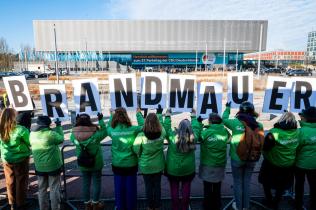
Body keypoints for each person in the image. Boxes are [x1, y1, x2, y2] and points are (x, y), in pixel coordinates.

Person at [222, 101, 263, 210]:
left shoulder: (235, 123)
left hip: (237, 158)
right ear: (252, 111)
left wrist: (227, 108)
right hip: (252, 158)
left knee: (238, 182)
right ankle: (246, 206)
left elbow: (224, 119)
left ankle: (239, 206)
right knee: (247, 182)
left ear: (240, 111)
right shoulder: (259, 125)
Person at [259, 111, 299, 209]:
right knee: (281, 185)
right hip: (289, 164)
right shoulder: (297, 132)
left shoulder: (274, 132)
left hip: (273, 164)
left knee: (266, 182)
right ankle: (276, 201)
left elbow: (265, 147)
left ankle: (269, 200)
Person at [163, 109, 201, 210]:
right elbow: (197, 128)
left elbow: (166, 128)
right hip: (188, 169)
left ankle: (175, 207)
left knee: (174, 189)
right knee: (186, 189)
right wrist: (193, 116)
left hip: (173, 169)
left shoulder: (172, 136)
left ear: (179, 127)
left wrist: (167, 116)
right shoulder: (194, 137)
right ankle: (184, 207)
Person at [107, 108, 144, 210]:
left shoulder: (112, 131)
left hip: (117, 164)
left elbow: (107, 127)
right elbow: (144, 126)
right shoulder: (133, 129)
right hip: (131, 164)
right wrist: (138, 114)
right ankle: (131, 207)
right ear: (126, 116)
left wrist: (111, 115)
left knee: (119, 189)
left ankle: (120, 207)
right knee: (131, 189)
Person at [70, 113, 108, 210]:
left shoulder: (73, 134)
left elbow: (72, 138)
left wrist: (76, 123)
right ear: (89, 120)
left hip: (82, 162)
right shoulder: (95, 134)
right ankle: (95, 203)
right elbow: (105, 131)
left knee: (85, 183)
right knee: (96, 182)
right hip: (96, 162)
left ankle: (87, 204)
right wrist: (101, 120)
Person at [132, 106, 165, 210]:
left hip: (146, 165)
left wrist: (138, 114)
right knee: (157, 186)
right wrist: (159, 113)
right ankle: (158, 206)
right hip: (158, 165)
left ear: (146, 123)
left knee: (148, 187)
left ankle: (150, 206)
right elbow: (162, 124)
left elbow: (135, 149)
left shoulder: (141, 135)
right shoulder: (162, 132)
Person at [30, 116, 64, 210]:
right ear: (48, 124)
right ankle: (55, 208)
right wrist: (58, 126)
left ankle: (43, 208)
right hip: (53, 166)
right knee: (54, 188)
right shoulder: (51, 134)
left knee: (41, 189)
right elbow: (61, 139)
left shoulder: (32, 134)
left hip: (39, 166)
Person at [197, 113, 230, 210]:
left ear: (210, 121)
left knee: (207, 187)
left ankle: (207, 205)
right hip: (220, 163)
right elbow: (229, 139)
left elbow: (198, 137)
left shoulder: (206, 132)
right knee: (217, 186)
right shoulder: (224, 131)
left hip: (207, 163)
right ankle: (217, 204)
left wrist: (199, 124)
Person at [0, 108, 31, 210]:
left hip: (6, 158)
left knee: (10, 181)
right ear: (13, 117)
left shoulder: (1, 129)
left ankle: (12, 203)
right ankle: (20, 203)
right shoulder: (21, 129)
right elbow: (29, 142)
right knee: (21, 181)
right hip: (21, 158)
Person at [295, 107, 316, 210]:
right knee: (313, 186)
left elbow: (296, 148)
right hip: (314, 164)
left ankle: (298, 205)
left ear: (307, 118)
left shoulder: (301, 131)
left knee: (299, 186)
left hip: (300, 164)